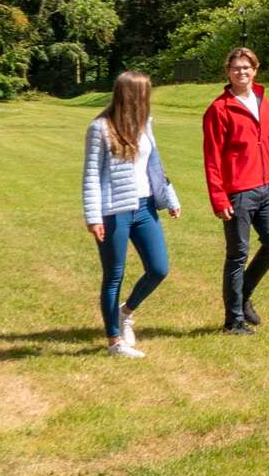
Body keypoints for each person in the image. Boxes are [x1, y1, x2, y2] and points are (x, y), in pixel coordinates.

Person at [82, 69, 180, 359]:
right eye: (143, 93)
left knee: (159, 268)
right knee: (114, 275)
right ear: (129, 95)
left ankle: (126, 312)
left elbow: (155, 165)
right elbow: (90, 175)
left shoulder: (145, 124)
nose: (147, 98)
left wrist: (170, 197)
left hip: (146, 207)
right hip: (114, 211)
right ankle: (114, 343)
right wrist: (94, 216)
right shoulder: (100, 128)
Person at [201, 46, 269, 335]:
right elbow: (212, 158)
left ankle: (243, 294)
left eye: (246, 67)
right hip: (238, 192)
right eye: (236, 68)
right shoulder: (218, 109)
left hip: (267, 188)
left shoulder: (263, 102)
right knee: (237, 255)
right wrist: (218, 197)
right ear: (228, 72)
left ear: (255, 69)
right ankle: (233, 321)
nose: (242, 72)